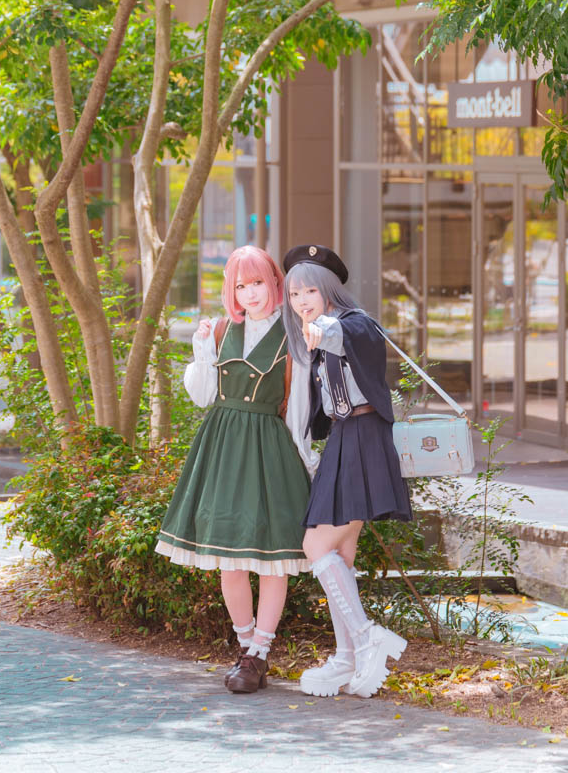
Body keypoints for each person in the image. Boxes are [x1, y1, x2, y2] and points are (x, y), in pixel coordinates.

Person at [156, 245, 317, 694]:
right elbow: (202, 396)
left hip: (270, 449)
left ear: (275, 283)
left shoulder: (293, 335)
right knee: (229, 557)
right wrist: (201, 350)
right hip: (223, 447)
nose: (250, 293)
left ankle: (260, 652)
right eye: (241, 285)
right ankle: (247, 649)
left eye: (258, 282)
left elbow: (299, 408)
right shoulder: (222, 329)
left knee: (272, 560)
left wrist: (307, 464)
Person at [281, 243, 412, 700]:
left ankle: (366, 638)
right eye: (294, 293)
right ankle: (347, 657)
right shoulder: (318, 334)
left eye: (309, 290)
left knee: (315, 544)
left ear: (328, 289)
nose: (301, 301)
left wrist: (318, 329)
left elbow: (337, 333)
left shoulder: (355, 325)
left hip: (364, 436)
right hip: (343, 438)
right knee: (342, 552)